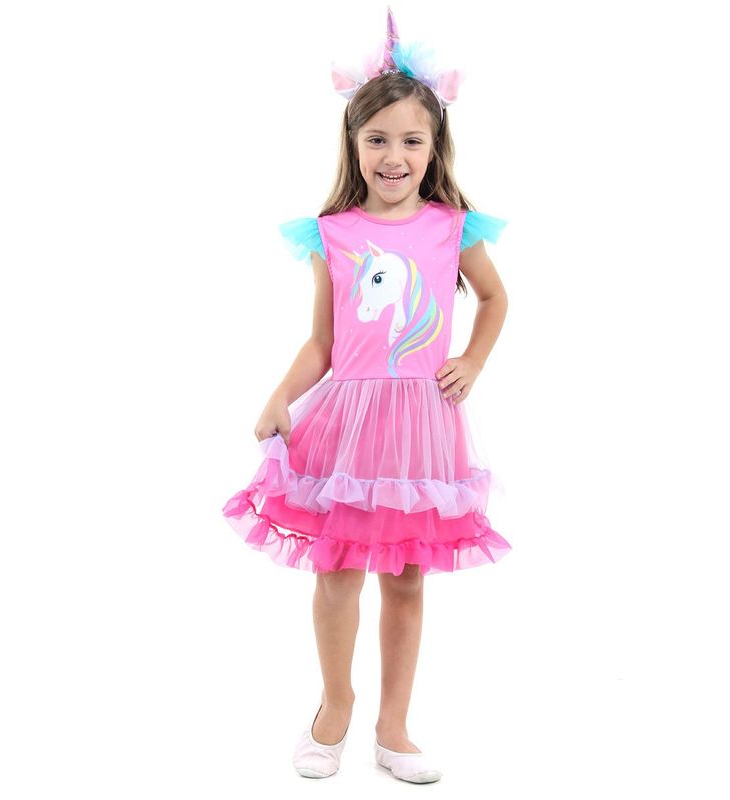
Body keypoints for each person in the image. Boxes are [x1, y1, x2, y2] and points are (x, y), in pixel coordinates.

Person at [221, 6, 512, 784]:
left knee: (407, 577)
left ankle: (395, 725)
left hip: (422, 425)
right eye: (378, 139)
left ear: (435, 147)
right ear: (353, 143)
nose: (394, 155)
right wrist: (281, 395)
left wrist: (473, 360)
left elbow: (495, 299)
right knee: (338, 569)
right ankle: (335, 706)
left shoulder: (453, 228)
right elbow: (322, 341)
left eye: (412, 140)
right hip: (348, 424)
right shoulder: (336, 232)